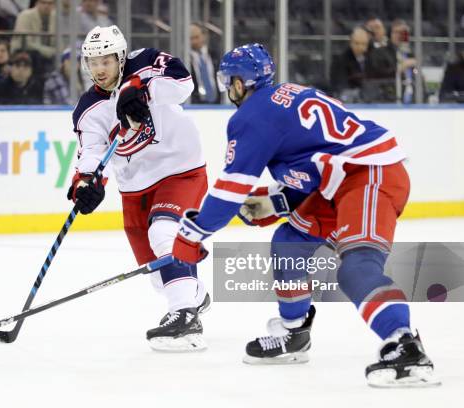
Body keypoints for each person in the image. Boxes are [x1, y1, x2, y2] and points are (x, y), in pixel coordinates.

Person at [171, 43, 438, 387]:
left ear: (240, 82)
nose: (228, 89)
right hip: (338, 181)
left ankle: (406, 346)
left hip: (369, 175)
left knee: (357, 267)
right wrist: (278, 203)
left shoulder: (252, 115)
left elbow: (227, 192)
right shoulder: (283, 99)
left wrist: (191, 234)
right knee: (289, 242)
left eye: (229, 80)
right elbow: (314, 161)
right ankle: (293, 333)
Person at [68, 25, 210, 351]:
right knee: (158, 275)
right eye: (92, 62)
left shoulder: (145, 63)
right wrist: (85, 184)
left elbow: (183, 83)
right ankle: (194, 296)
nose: (99, 69)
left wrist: (142, 90)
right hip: (135, 187)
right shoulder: (88, 108)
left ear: (120, 57)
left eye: (106, 60)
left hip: (180, 169)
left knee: (164, 234)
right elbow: (90, 153)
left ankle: (185, 317)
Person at [11, 0, 56, 74]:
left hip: (50, 52)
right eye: (43, 3)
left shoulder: (56, 17)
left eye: (50, 3)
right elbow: (25, 42)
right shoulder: (25, 15)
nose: (46, 6)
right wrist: (48, 51)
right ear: (36, 3)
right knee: (36, 56)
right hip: (24, 49)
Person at [330, 27, 370, 100]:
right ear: (351, 43)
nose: (360, 47)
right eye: (357, 43)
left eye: (363, 44)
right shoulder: (341, 60)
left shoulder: (371, 58)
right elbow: (341, 86)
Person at [189, 22, 219, 104]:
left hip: (218, 103)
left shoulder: (215, 55)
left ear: (204, 36)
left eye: (196, 37)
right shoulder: (184, 59)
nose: (194, 41)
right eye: (191, 38)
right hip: (194, 105)